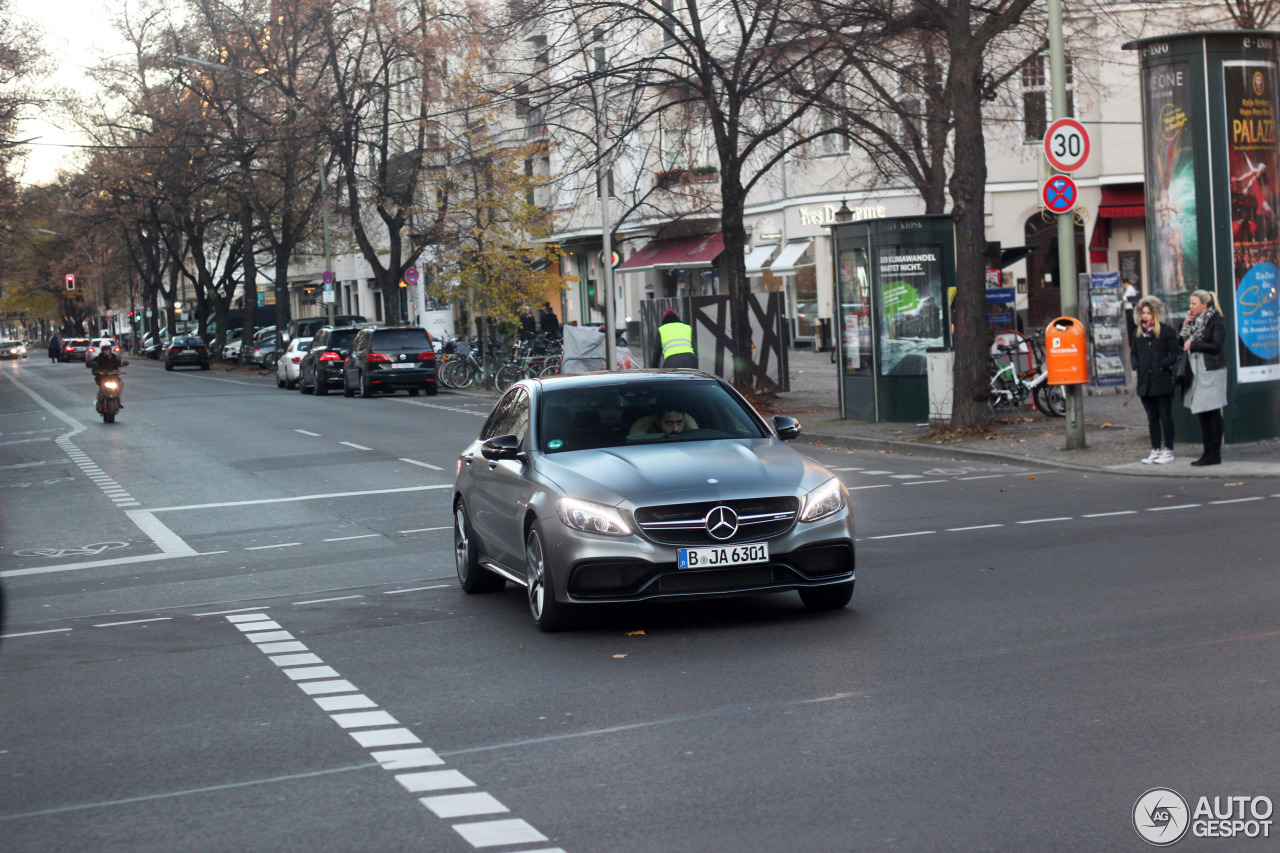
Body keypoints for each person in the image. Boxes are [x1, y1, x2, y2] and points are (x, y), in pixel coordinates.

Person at [1179, 289, 1228, 466]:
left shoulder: (1216, 320)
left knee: (1212, 411)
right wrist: (1185, 325)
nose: (1190, 307)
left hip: (1211, 370)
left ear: (1204, 304)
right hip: (1196, 371)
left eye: (1193, 303)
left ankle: (1214, 453)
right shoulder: (1194, 322)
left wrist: (1194, 344)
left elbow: (1216, 345)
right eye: (1190, 303)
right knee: (1201, 411)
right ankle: (1207, 452)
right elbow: (1181, 344)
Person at [1130, 296, 1178, 464]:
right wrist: (1136, 365)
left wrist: (1162, 365)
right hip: (1145, 381)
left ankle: (1169, 449)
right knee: (1152, 417)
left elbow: (1175, 353)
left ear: (1155, 314)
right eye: (1143, 313)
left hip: (1161, 380)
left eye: (1149, 313)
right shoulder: (1137, 333)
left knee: (1165, 416)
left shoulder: (1166, 331)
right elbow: (1133, 353)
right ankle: (1155, 449)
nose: (1145, 316)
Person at [629, 405, 697, 437]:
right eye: (669, 423)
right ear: (658, 422)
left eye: (679, 423)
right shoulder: (647, 445)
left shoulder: (694, 443)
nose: (675, 429)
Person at [90, 345, 123, 409]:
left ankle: (118, 399)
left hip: (113, 377)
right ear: (102, 350)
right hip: (102, 377)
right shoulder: (98, 358)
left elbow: (118, 365)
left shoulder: (113, 357)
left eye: (108, 349)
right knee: (101, 386)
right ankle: (98, 400)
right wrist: (97, 372)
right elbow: (94, 368)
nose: (107, 351)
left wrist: (119, 371)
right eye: (105, 349)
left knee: (121, 383)